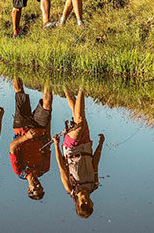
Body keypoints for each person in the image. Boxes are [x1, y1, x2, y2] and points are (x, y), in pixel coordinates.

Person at [53, 87, 105, 218]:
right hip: (86, 146)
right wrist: (100, 144)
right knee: (78, 116)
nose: (86, 202)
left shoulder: (70, 188)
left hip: (71, 148)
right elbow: (95, 163)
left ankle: (82, 85)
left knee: (80, 120)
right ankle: (65, 86)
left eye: (83, 205)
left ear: (77, 204)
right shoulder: (93, 185)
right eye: (89, 204)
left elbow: (61, 166)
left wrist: (56, 145)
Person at [9, 77, 52, 200]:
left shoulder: (19, 170)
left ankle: (16, 69)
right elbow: (47, 144)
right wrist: (48, 123)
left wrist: (26, 136)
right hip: (40, 129)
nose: (38, 185)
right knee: (47, 103)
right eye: (40, 188)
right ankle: (46, 76)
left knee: (19, 92)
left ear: (29, 189)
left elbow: (12, 147)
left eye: (35, 189)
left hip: (21, 127)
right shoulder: (44, 168)